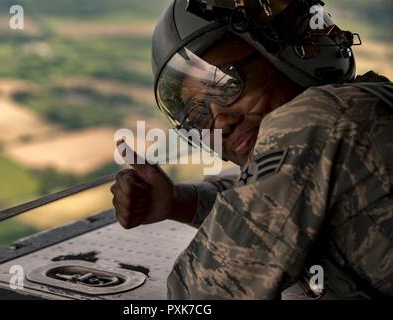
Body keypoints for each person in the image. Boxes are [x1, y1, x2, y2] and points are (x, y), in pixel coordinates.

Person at [110, 0, 393, 299]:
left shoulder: (316, 117)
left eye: (228, 85)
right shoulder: (356, 111)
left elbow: (202, 295)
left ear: (281, 53)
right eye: (198, 115)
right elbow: (272, 194)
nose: (221, 123)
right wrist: (178, 202)